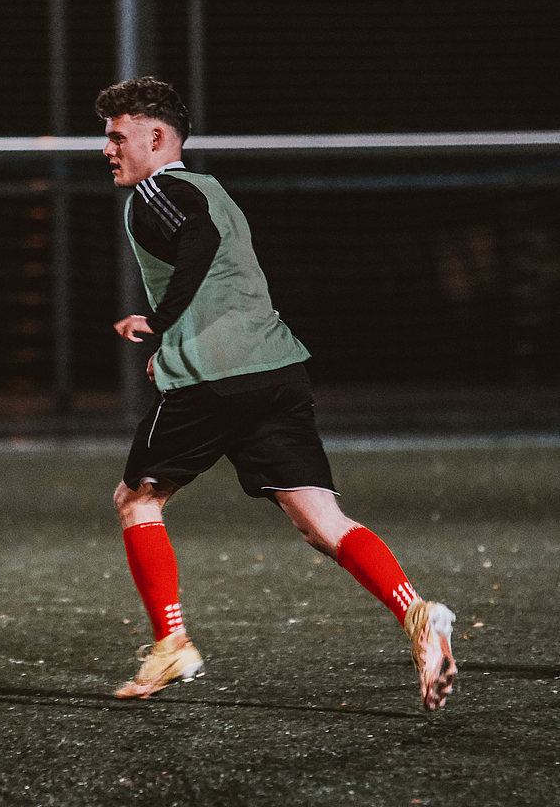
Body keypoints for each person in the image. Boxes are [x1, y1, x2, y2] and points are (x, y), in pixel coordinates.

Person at [96, 76, 457, 710]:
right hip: (277, 373)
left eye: (117, 137)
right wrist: (173, 341)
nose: (108, 150)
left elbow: (198, 241)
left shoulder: (157, 191)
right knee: (322, 522)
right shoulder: (214, 190)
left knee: (137, 500)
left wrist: (159, 323)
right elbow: (222, 277)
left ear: (156, 138)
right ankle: (418, 614)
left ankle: (172, 642)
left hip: (215, 383)